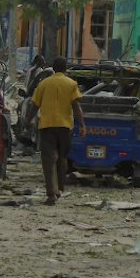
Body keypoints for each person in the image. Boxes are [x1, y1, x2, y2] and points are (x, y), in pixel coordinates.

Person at [26, 56, 86, 205]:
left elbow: (34, 105)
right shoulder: (71, 84)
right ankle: (59, 187)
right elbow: (76, 107)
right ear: (65, 69)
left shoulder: (44, 84)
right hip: (65, 127)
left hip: (47, 125)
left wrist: (29, 120)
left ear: (53, 69)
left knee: (48, 159)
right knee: (62, 157)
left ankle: (52, 193)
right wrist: (82, 124)